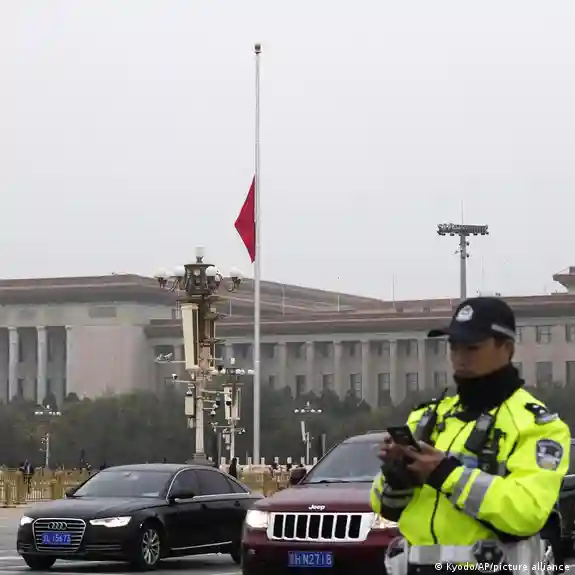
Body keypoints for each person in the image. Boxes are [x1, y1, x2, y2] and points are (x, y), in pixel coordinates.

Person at [371, 297, 571, 575]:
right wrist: (397, 477)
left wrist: (445, 474)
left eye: (472, 347)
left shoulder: (537, 425)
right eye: (454, 347)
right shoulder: (427, 417)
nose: (460, 357)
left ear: (507, 348)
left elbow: (527, 513)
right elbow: (383, 506)